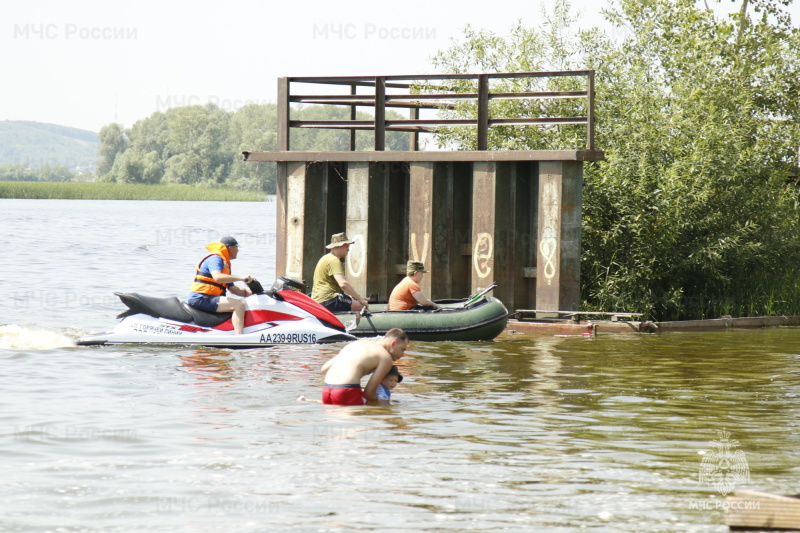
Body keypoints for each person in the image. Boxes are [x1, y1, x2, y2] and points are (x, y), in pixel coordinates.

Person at [320, 328, 409, 405]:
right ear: (393, 343)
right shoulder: (386, 358)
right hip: (346, 390)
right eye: (402, 349)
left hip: (327, 389)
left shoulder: (358, 343)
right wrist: (382, 403)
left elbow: (324, 369)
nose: (403, 354)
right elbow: (369, 393)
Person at [187, 236, 256, 335]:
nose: (238, 250)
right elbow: (217, 277)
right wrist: (241, 278)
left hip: (209, 298)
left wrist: (255, 293)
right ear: (230, 248)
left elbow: (233, 289)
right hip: (201, 298)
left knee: (241, 303)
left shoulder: (225, 264)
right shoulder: (215, 259)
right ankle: (239, 338)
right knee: (239, 304)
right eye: (237, 247)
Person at [311, 232, 369, 313]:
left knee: (350, 301)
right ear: (338, 246)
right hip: (329, 300)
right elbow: (343, 284)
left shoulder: (325, 258)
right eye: (346, 246)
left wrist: (347, 297)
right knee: (363, 306)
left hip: (319, 300)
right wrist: (360, 299)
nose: (348, 249)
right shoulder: (334, 260)